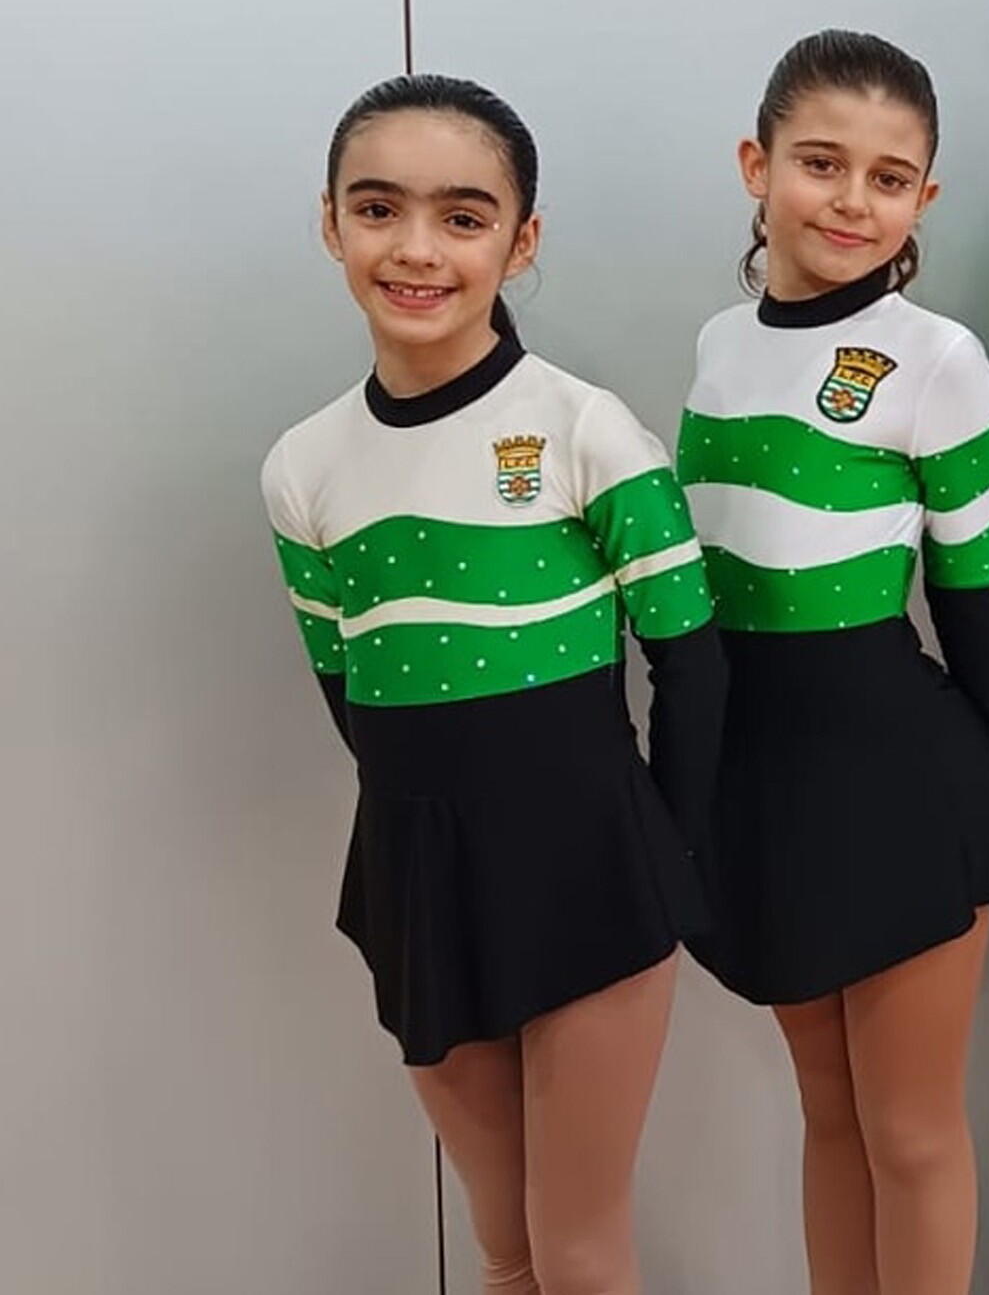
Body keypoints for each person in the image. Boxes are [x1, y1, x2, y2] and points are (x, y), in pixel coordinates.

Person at [261, 73, 725, 1295]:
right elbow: (343, 683)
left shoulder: (585, 429)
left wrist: (665, 853)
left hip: (590, 865)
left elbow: (690, 659)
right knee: (508, 1251)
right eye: (378, 209)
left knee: (577, 1252)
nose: (417, 249)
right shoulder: (303, 467)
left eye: (462, 217)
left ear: (520, 243)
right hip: (418, 873)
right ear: (331, 225)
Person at [677, 29, 989, 1295]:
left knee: (911, 1130)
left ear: (923, 197)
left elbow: (973, 583)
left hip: (895, 775)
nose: (850, 200)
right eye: (820, 163)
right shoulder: (720, 345)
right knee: (830, 1118)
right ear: (756, 165)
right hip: (759, 774)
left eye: (888, 178)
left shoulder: (939, 361)